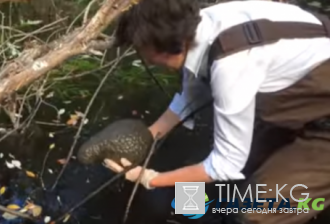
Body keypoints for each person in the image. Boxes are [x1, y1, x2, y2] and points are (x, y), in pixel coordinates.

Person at [102, 0, 330, 223]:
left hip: (323, 127)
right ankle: (190, 212)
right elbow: (192, 94)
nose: (147, 60)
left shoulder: (231, 66)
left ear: (169, 48)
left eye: (144, 50)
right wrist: (147, 136)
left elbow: (225, 165)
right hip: (300, 108)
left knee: (256, 213)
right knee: (232, 175)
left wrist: (151, 178)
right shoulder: (201, 25)